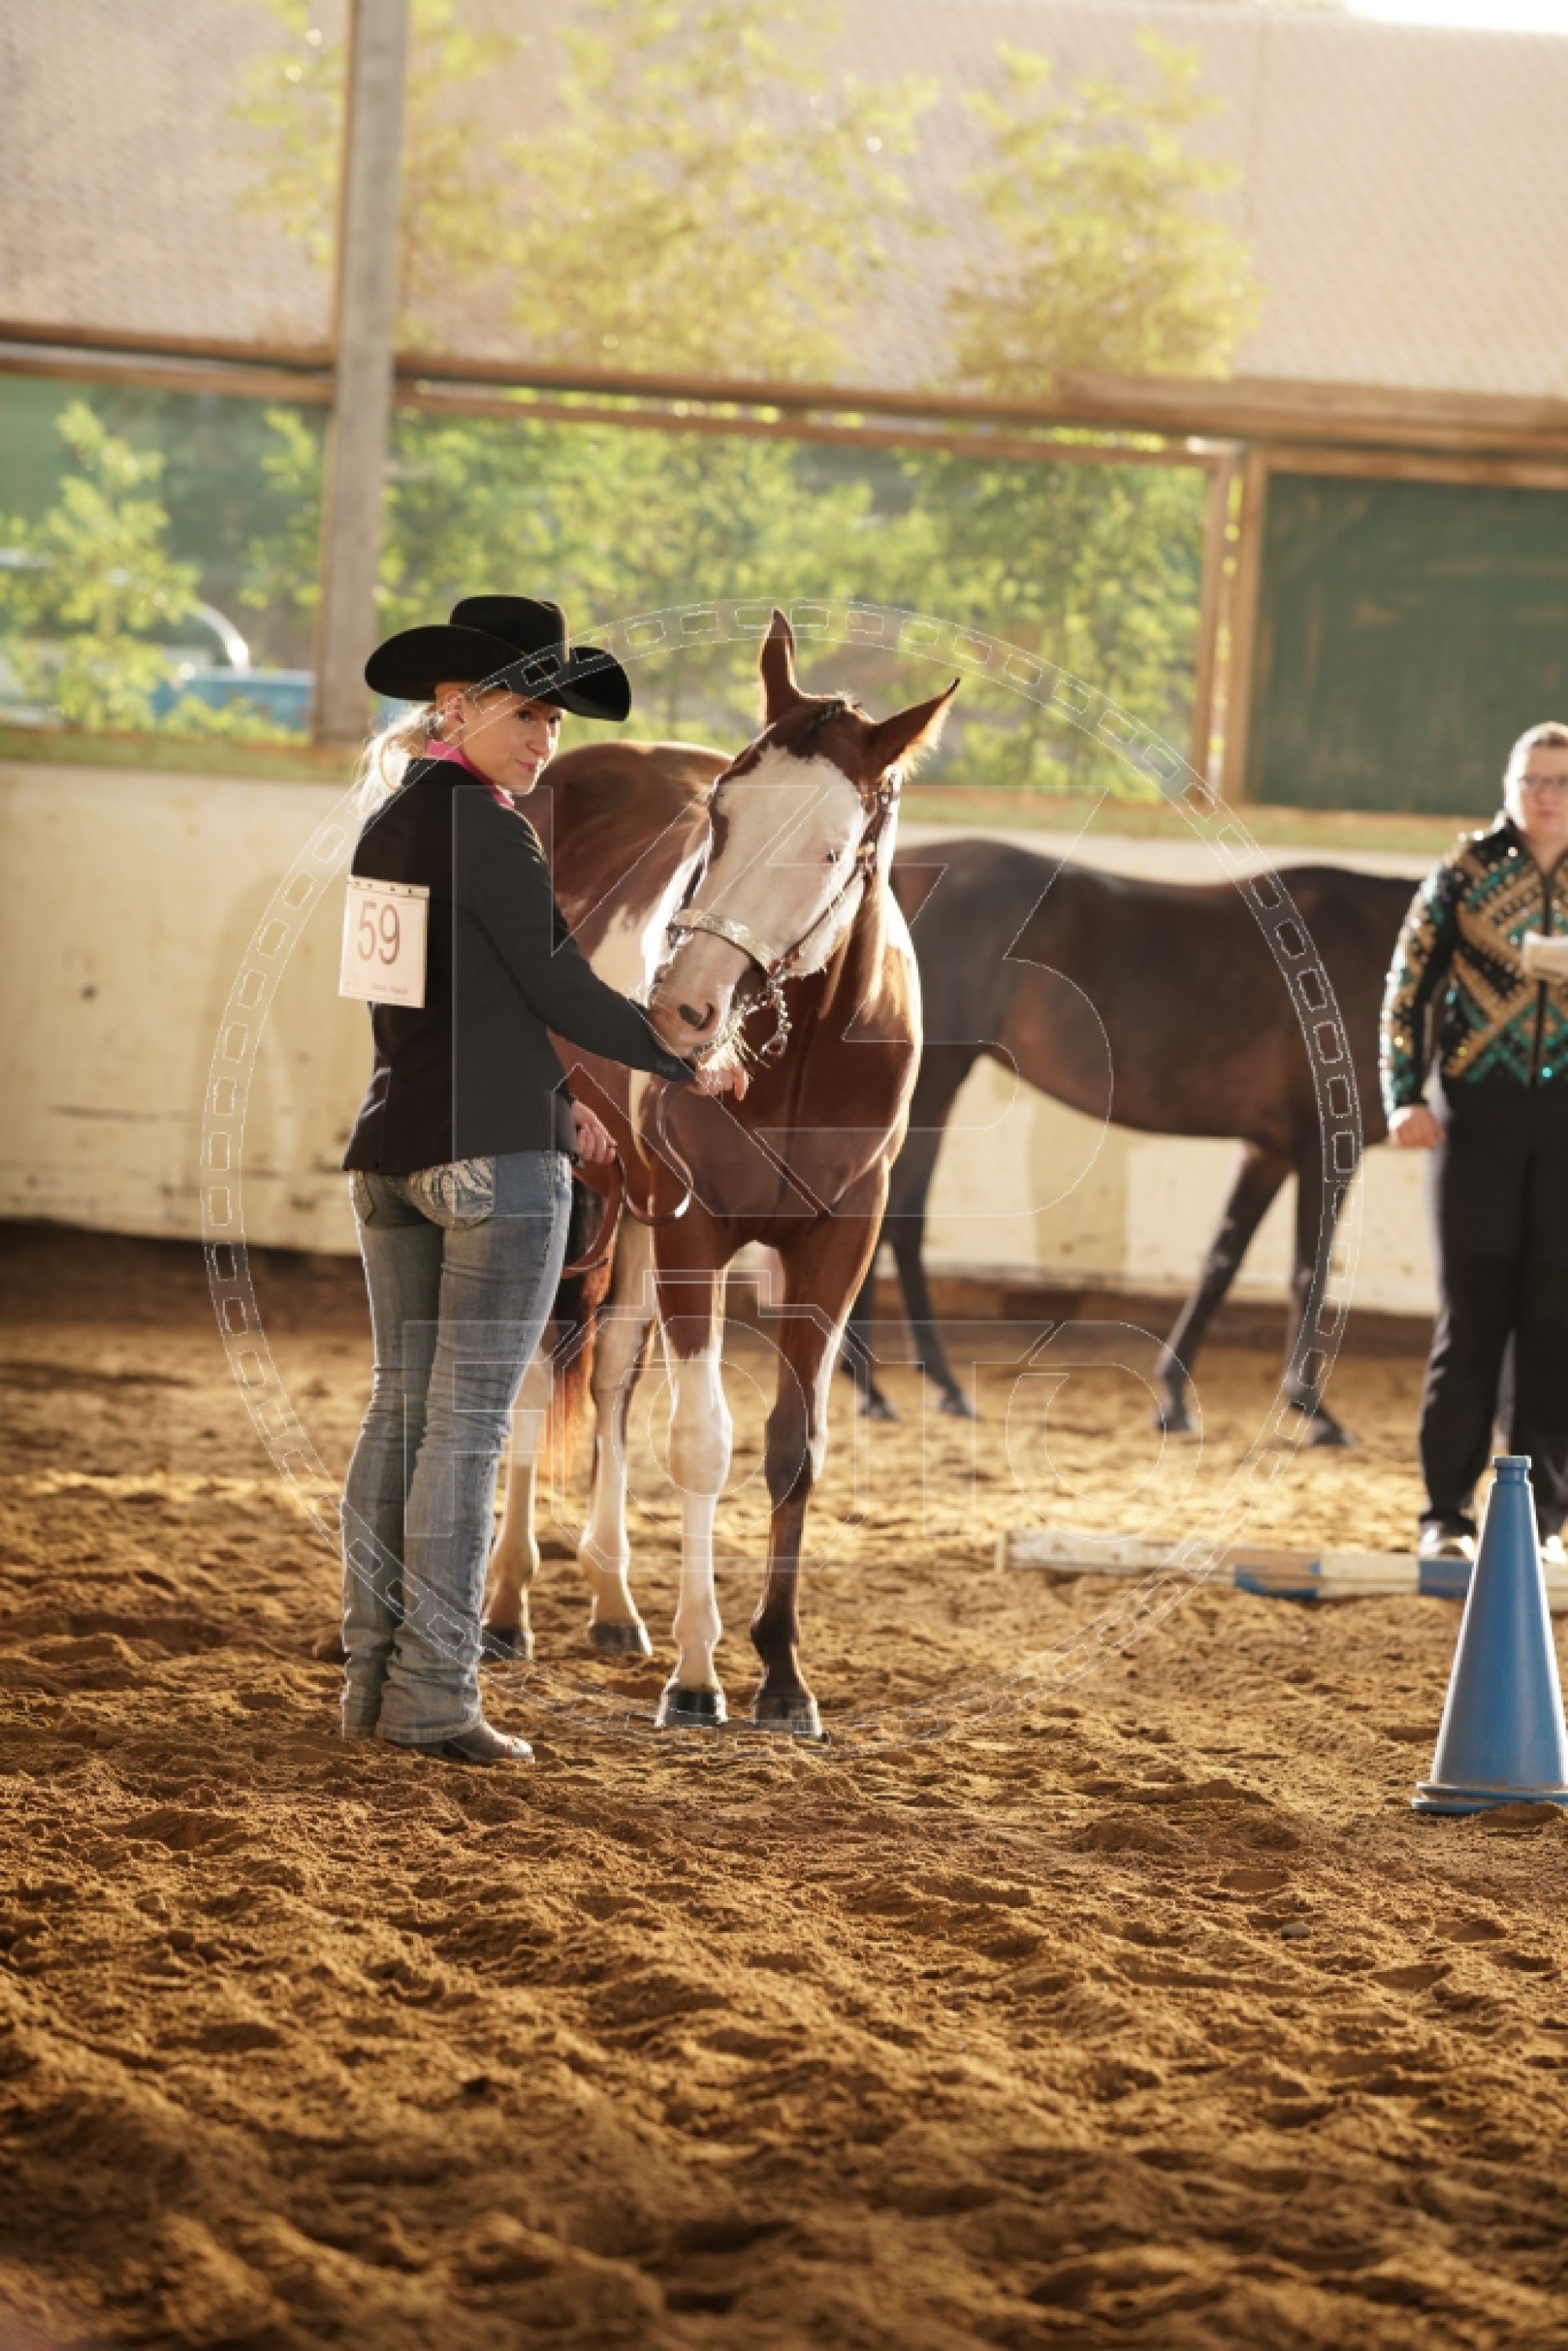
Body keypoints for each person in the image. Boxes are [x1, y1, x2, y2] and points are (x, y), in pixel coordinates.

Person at [338, 595, 727, 1765]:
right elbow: (559, 988)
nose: (545, 737)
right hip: (494, 1164)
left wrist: (558, 1099)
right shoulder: (492, 831)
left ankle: (371, 1681)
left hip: (392, 1151)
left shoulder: (386, 826)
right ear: (455, 705)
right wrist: (685, 1057)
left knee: (400, 1414)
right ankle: (434, 1699)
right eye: (526, 713)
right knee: (464, 1429)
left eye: (555, 720)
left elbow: (411, 1007)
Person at [1381, 720, 1568, 1563]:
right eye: (1531, 780)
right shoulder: (1460, 874)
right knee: (1472, 1317)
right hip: (1475, 1116)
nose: (1545, 796)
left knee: (1555, 1320)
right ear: (1507, 787)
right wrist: (1402, 1096)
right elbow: (1405, 991)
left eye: (1559, 782)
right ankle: (1445, 1515)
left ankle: (1542, 1520)